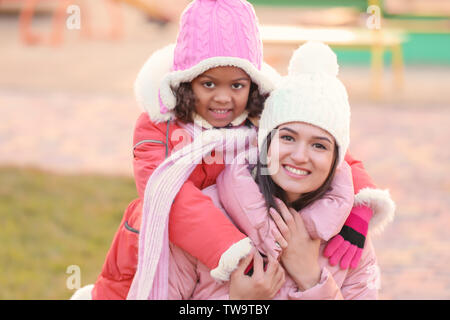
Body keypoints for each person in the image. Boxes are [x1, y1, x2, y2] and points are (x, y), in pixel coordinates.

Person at [72, 1, 391, 300]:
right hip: (170, 236)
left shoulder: (265, 115)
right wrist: (235, 253)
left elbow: (332, 149)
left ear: (252, 85)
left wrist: (360, 206)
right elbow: (174, 198)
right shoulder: (159, 128)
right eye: (209, 84)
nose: (223, 98)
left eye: (236, 85)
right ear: (186, 83)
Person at [167, 41, 395, 299]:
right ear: (266, 142)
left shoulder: (350, 240)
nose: (299, 156)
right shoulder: (206, 217)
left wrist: (311, 279)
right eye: (287, 138)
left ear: (336, 159)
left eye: (319, 145)